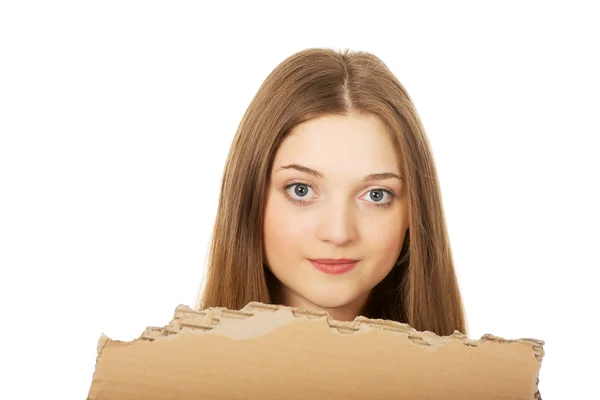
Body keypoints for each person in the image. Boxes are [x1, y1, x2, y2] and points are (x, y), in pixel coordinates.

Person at [195, 48, 468, 337]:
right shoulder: (168, 378)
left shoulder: (483, 380)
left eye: (376, 195)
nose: (338, 233)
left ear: (414, 212)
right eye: (301, 190)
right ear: (248, 197)